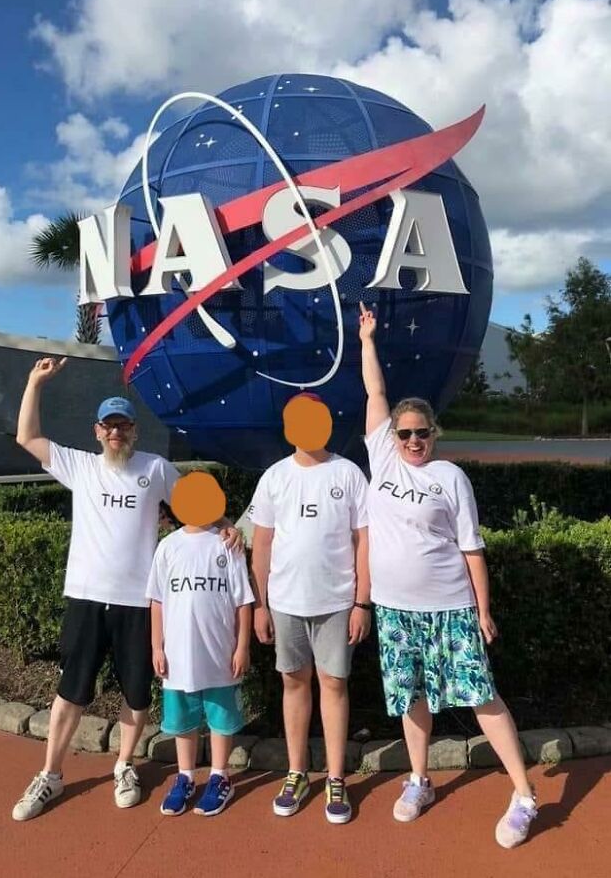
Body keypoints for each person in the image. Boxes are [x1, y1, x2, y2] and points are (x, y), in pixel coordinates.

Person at [11, 357, 242, 822]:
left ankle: (124, 766)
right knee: (72, 690)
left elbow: (192, 504)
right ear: (97, 431)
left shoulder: (155, 468)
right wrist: (35, 382)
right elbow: (27, 438)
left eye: (124, 426)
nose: (116, 432)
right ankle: (51, 774)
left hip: (137, 603)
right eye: (108, 426)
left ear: (135, 431)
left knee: (136, 694)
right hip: (86, 597)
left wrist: (226, 525)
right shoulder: (79, 467)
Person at [358, 302, 537, 849]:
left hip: (451, 609)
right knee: (411, 700)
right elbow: (376, 394)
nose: (414, 441)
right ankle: (419, 781)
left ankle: (525, 795)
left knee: (482, 697)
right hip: (394, 611)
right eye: (406, 433)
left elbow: (471, 548)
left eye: (423, 433)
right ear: (393, 436)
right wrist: (367, 340)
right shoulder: (382, 460)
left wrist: (482, 609)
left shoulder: (450, 477)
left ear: (434, 434)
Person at [249, 393, 370, 825]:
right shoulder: (275, 478)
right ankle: (297, 772)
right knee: (293, 684)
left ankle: (336, 778)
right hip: (285, 604)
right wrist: (260, 605)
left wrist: (361, 603)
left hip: (338, 603)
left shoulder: (348, 473)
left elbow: (364, 543)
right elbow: (260, 545)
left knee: (334, 686)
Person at [146, 471, 255, 817]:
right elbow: (157, 601)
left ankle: (220, 776)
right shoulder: (168, 547)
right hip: (178, 657)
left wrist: (242, 647)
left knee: (221, 719)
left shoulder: (227, 545)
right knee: (183, 721)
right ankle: (185, 776)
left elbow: (243, 602)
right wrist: (156, 647)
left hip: (219, 654)